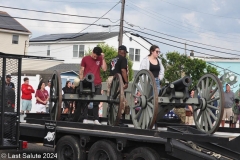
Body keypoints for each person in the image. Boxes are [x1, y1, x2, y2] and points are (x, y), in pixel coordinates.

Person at [73, 46, 107, 124]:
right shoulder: (85, 59)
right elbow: (81, 70)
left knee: (96, 102)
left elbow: (104, 69)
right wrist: (81, 79)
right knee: (85, 101)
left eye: (97, 56)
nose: (95, 57)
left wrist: (103, 58)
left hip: (97, 82)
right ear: (92, 52)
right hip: (87, 82)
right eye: (95, 55)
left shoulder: (100, 58)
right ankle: (85, 118)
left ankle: (96, 119)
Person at [107, 45, 129, 116]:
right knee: (120, 99)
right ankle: (118, 118)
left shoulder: (113, 59)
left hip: (110, 78)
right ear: (124, 52)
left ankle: (110, 117)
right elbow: (123, 70)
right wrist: (126, 82)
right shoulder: (123, 59)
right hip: (117, 80)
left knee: (111, 99)